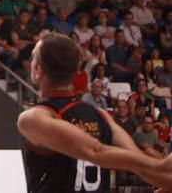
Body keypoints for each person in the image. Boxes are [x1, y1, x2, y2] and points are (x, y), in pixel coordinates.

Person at [18, 32, 172, 190]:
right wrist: (161, 169)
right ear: (76, 69)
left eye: (33, 58)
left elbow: (97, 151)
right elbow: (137, 162)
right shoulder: (101, 115)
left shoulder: (34, 117)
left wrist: (161, 170)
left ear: (38, 70)